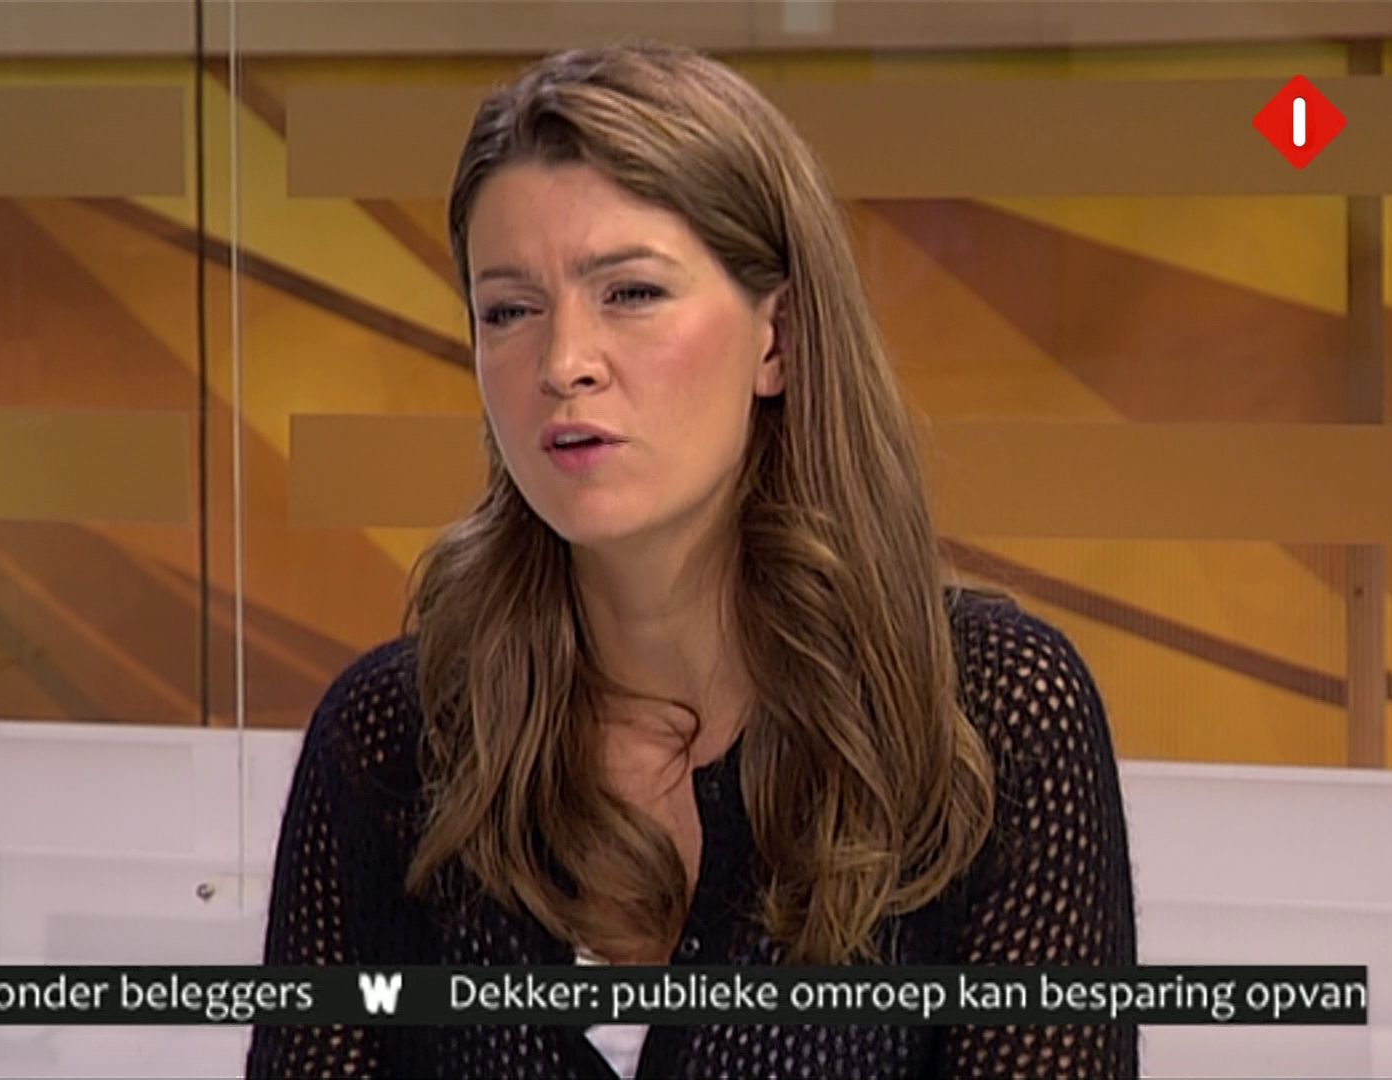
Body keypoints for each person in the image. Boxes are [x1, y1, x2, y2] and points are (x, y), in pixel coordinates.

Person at [246, 41, 1137, 1079]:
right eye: (509, 310)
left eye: (629, 293)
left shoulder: (987, 716)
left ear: (778, 340)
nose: (563, 363)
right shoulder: (391, 742)